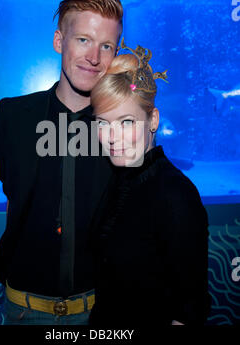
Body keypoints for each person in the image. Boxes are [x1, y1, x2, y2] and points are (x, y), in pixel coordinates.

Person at [0, 0, 123, 325]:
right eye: (83, 39)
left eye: (106, 46)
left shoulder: (124, 130)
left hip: (101, 311)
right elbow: (12, 188)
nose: (94, 56)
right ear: (58, 41)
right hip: (23, 309)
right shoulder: (13, 116)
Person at [88, 39, 211, 326]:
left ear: (153, 119)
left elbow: (188, 309)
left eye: (126, 122)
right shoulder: (119, 179)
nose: (111, 136)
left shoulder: (175, 195)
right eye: (103, 123)